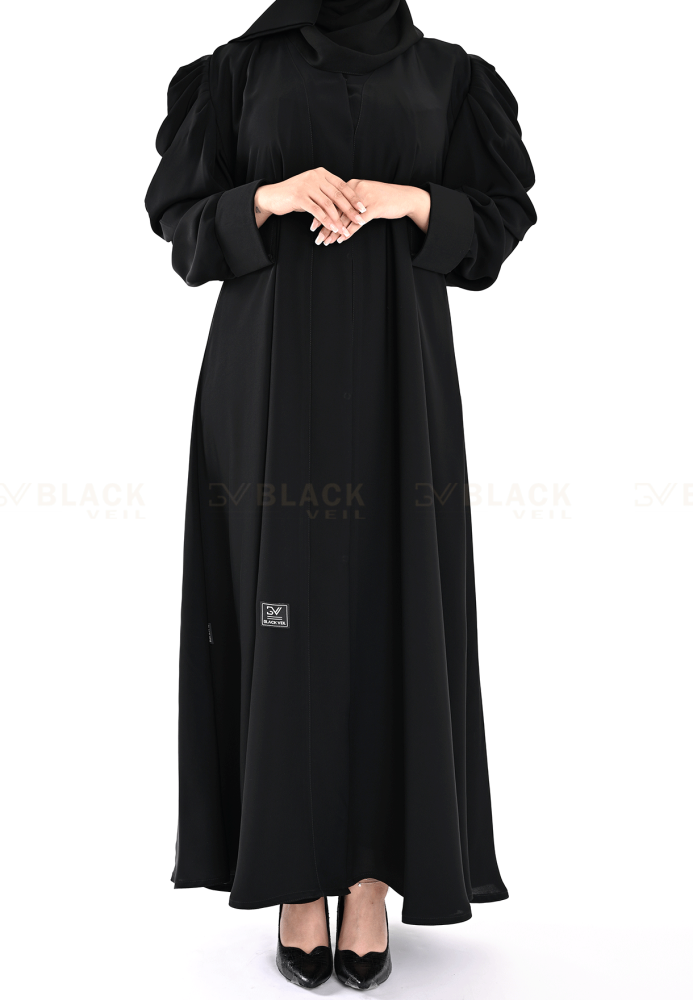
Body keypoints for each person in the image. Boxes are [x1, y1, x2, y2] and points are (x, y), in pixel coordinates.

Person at [145, 0, 536, 990]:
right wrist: (270, 195)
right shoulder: (235, 72)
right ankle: (292, 874)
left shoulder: (450, 76)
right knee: (279, 612)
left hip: (398, 383)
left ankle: (367, 877)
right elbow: (182, 221)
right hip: (267, 383)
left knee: (386, 608)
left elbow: (497, 220)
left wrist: (410, 201)